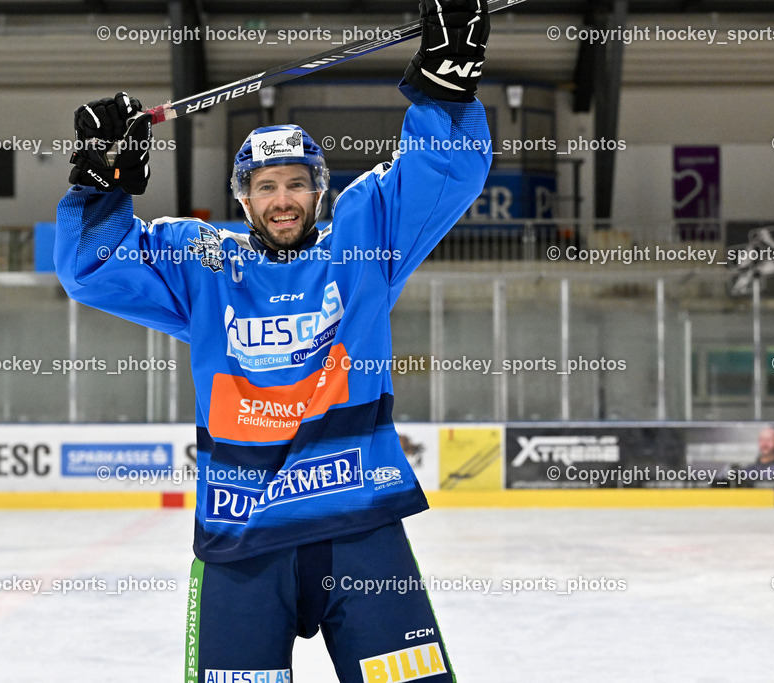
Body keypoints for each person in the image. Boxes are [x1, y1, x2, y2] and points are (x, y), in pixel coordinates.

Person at [54, 1, 492, 679]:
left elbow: (444, 172)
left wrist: (447, 84)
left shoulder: (362, 242)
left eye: (296, 183)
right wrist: (100, 186)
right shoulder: (206, 263)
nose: (282, 199)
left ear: (319, 190)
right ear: (244, 199)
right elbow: (92, 270)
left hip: (360, 524)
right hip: (242, 539)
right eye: (266, 187)